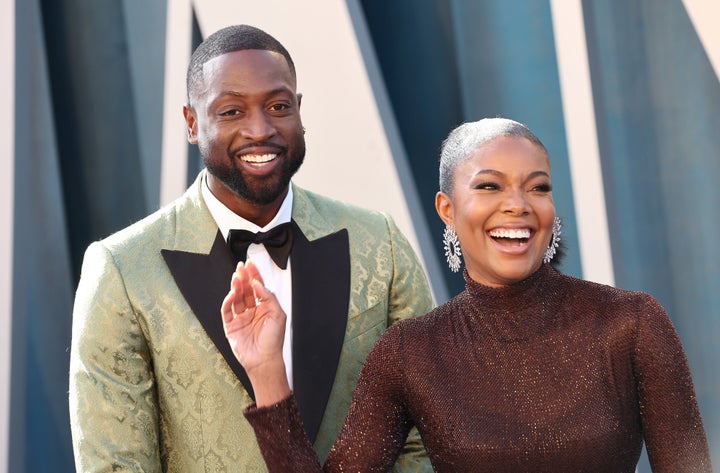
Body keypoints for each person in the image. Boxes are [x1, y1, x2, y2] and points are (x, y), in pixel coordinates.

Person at [223, 117, 713, 472]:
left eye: (537, 188)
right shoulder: (409, 353)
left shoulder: (631, 323)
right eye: (490, 186)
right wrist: (267, 369)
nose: (517, 206)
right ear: (447, 209)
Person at [69, 24, 433, 472]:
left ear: (299, 112)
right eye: (231, 112)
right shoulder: (122, 270)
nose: (260, 130)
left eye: (278, 106)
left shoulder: (380, 243)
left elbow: (423, 436)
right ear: (191, 123)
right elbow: (115, 463)